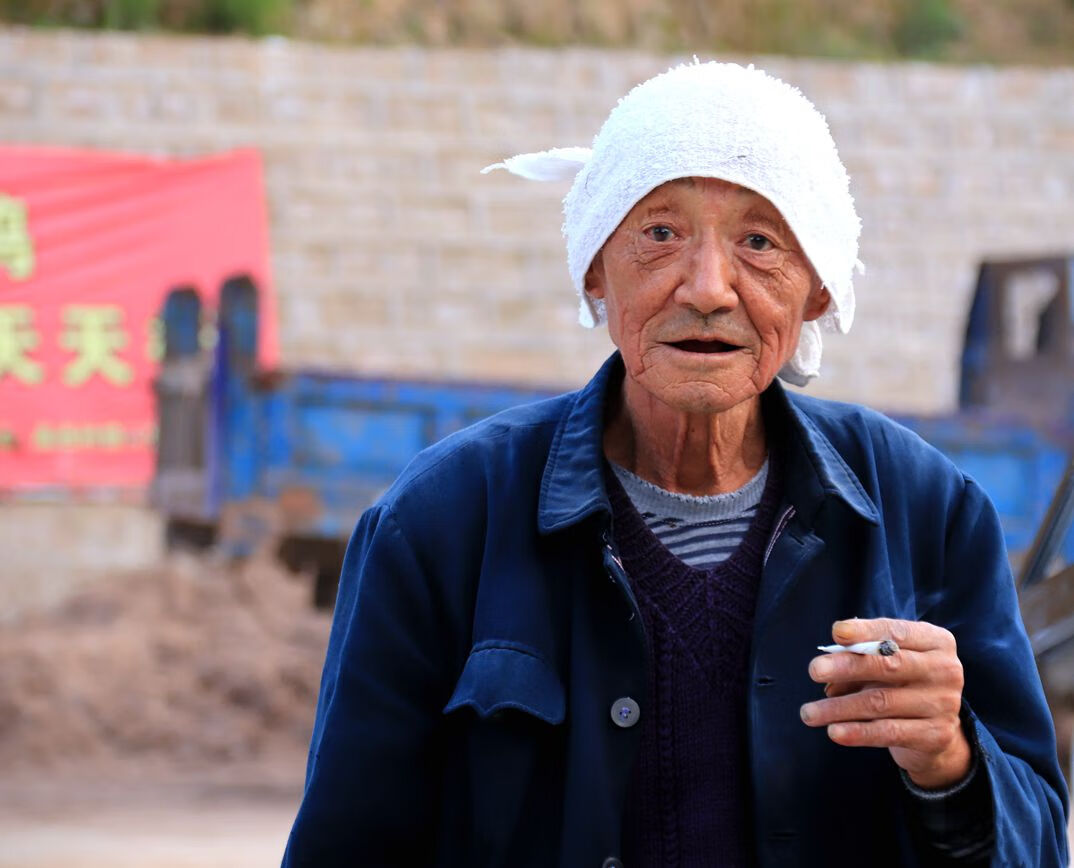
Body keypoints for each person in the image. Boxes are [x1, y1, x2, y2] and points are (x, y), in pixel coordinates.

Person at [282, 61, 1068, 867]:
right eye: (660, 234)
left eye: (759, 243)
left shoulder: (928, 512)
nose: (708, 289)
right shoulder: (439, 522)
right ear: (595, 265)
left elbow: (1040, 844)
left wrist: (951, 765)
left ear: (817, 291)